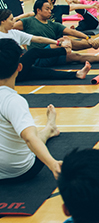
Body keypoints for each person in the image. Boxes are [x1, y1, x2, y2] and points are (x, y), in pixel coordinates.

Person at [0, 39, 62, 181]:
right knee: (33, 136)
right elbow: (29, 138)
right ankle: (49, 128)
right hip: (20, 172)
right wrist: (53, 164)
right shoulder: (14, 101)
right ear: (19, 67)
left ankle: (50, 128)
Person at [13, 0, 99, 66]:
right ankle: (93, 45)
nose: (50, 11)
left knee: (76, 57)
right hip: (39, 58)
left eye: (50, 9)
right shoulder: (27, 22)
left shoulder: (52, 24)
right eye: (47, 9)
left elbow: (71, 32)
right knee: (62, 40)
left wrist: (88, 38)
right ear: (38, 10)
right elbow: (9, 28)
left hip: (52, 55)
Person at [0, 9, 91, 83]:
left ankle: (77, 74)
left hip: (17, 72)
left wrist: (58, 43)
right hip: (6, 73)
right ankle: (63, 51)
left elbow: (38, 39)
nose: (14, 22)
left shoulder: (15, 33)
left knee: (46, 72)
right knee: (33, 52)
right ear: (3, 21)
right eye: (11, 19)